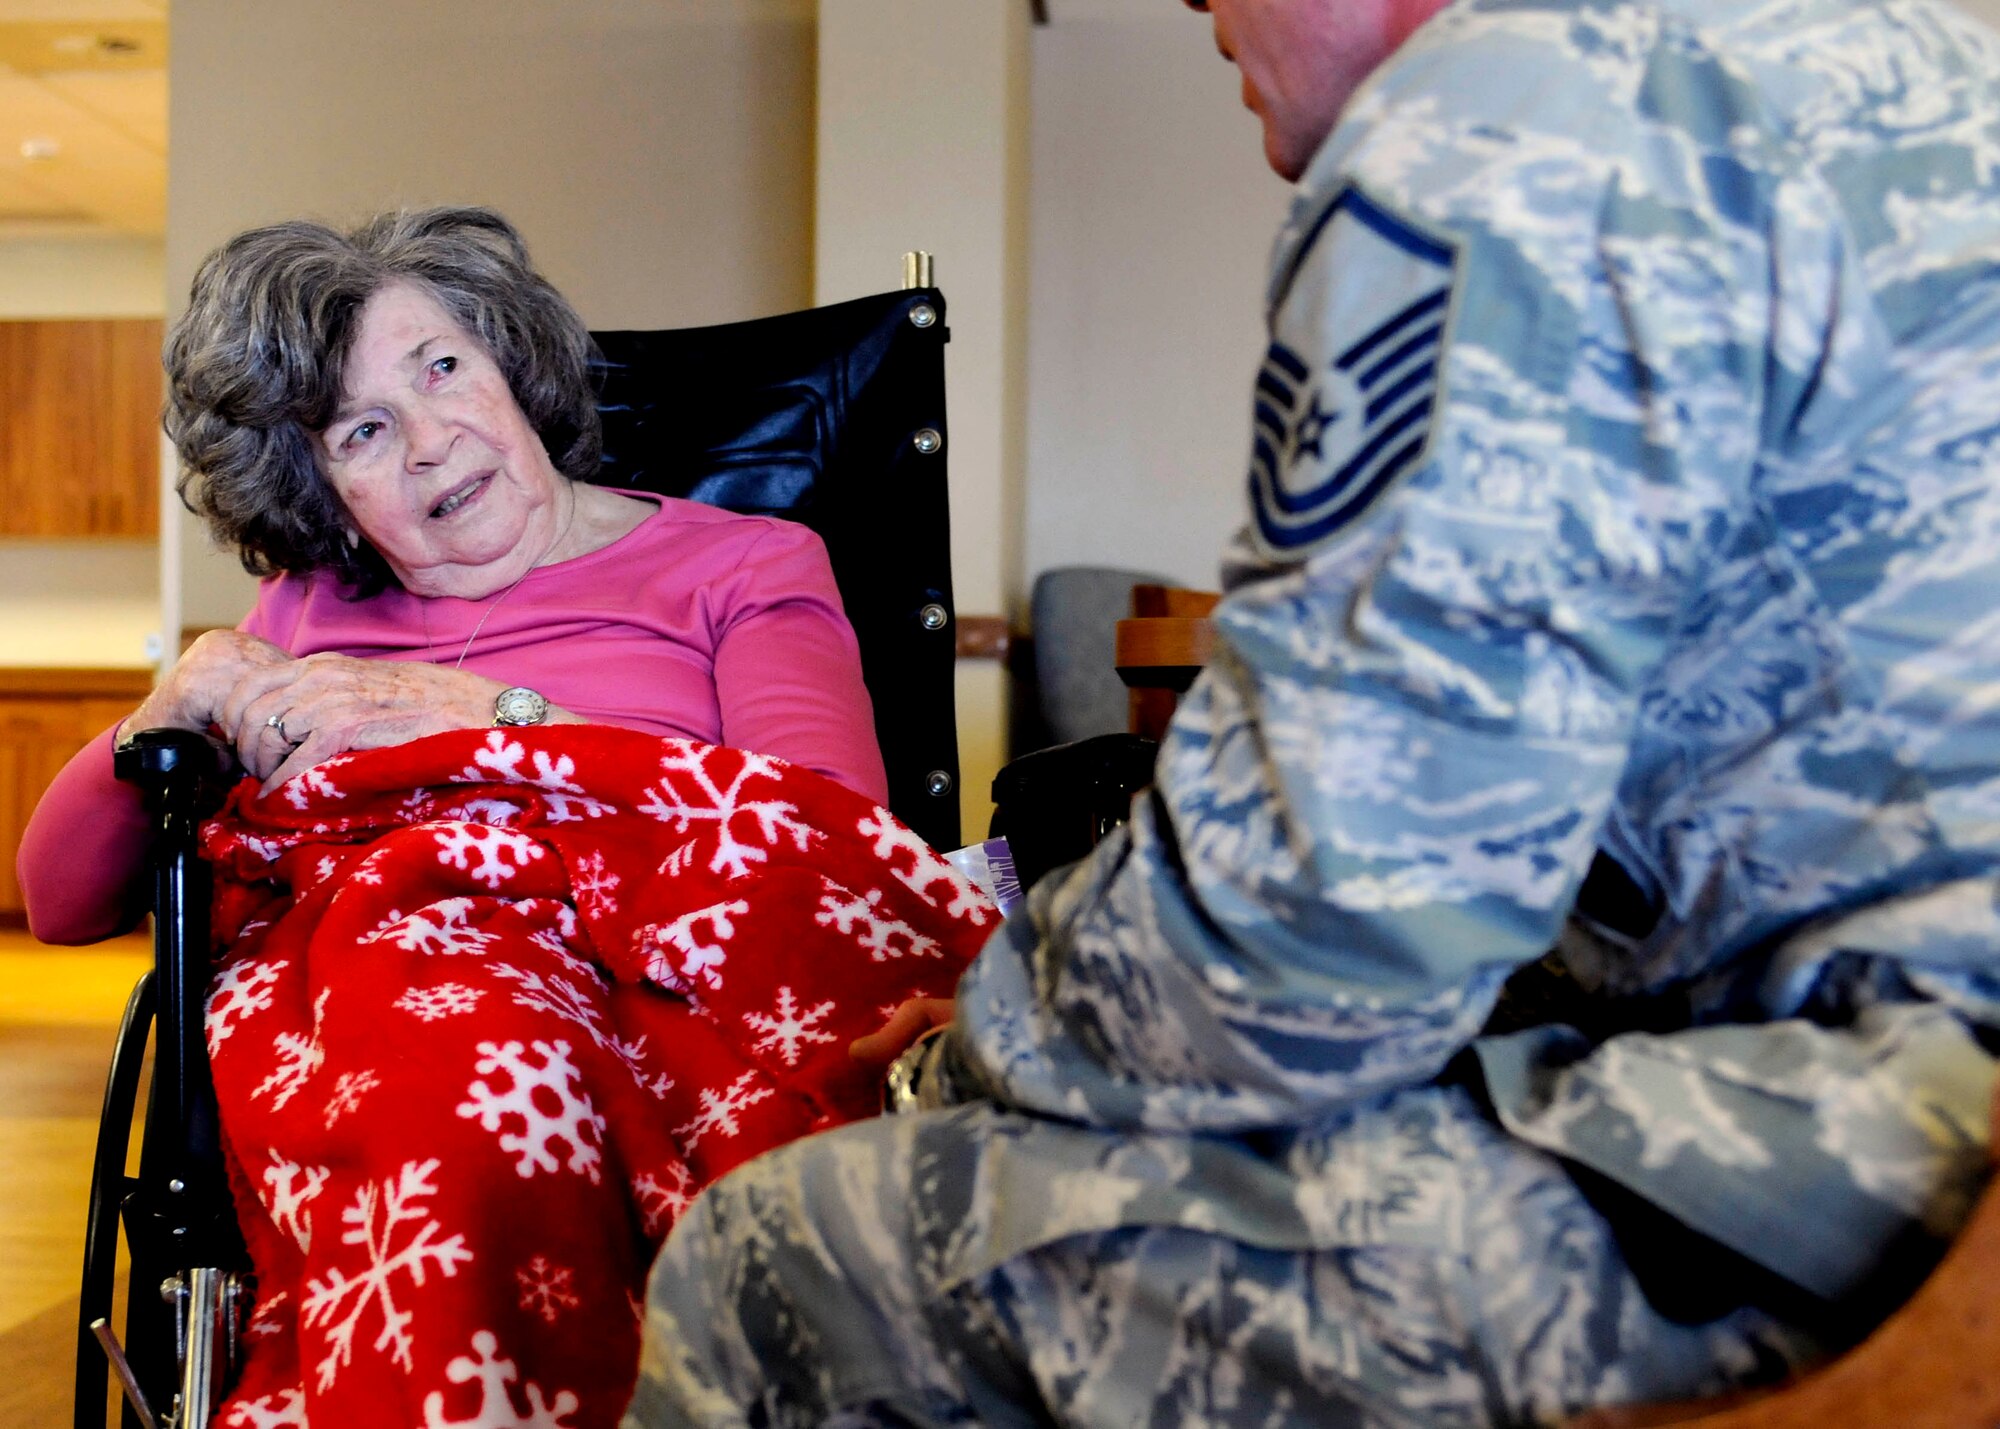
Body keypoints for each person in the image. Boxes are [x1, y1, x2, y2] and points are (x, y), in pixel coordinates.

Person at [625, 0, 2000, 1424]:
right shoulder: (1879, 55)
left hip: (1900, 1144)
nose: (1195, 6)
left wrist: (958, 1057)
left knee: (773, 1261)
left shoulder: (1507, 114)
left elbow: (1306, 949)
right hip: (1909, 1063)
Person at [16, 208, 992, 1428]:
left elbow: (825, 831)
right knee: (455, 1098)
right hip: (370, 997)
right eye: (363, 429)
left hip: (661, 990)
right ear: (313, 481)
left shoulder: (740, 564)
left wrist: (494, 713)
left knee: (487, 1107)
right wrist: (168, 704)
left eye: (442, 368)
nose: (431, 441)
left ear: (508, 360)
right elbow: (59, 901)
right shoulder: (299, 612)